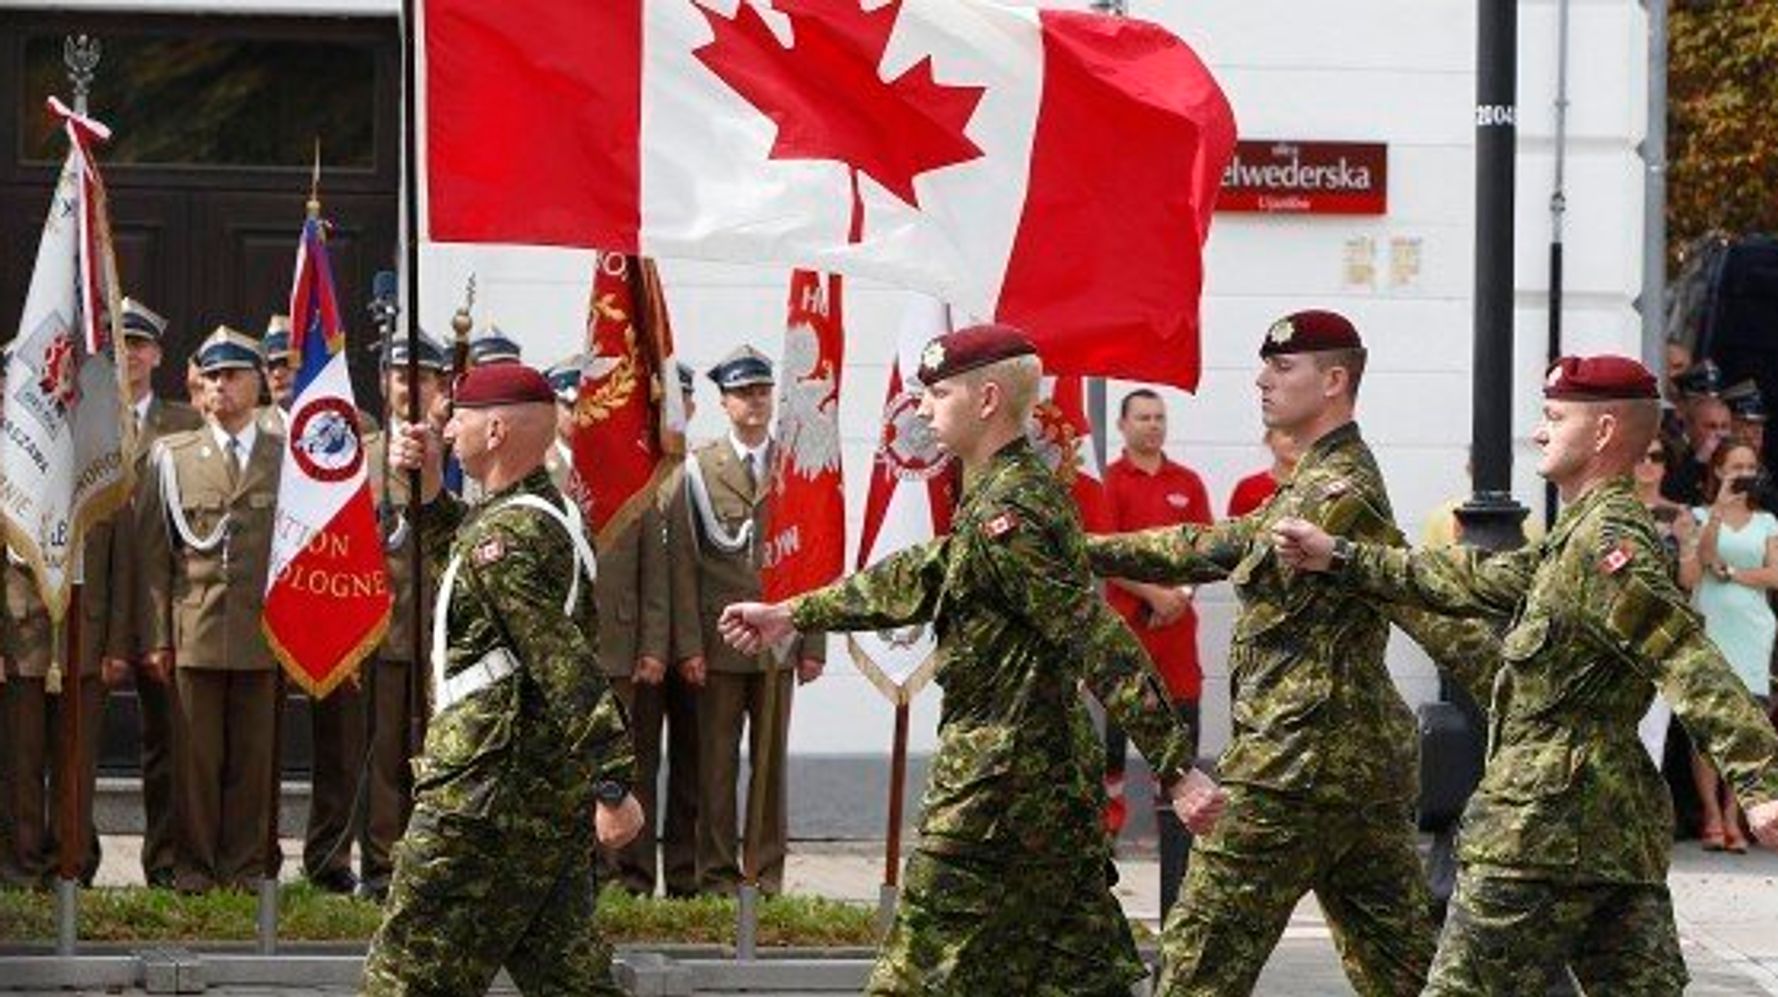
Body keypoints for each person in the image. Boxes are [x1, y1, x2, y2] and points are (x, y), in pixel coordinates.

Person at [718, 324, 1223, 996]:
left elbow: (1092, 633)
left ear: (987, 399)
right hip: (1042, 790)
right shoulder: (994, 497)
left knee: (911, 977)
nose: (923, 407)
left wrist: (1177, 768)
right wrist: (795, 611)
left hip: (996, 786)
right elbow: (925, 572)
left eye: (939, 392)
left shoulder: (1011, 508)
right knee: (1078, 977)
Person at [1273, 354, 1778, 995]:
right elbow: (1471, 575)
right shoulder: (1579, 535)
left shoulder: (1605, 544)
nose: (1539, 433)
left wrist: (1760, 779)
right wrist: (1340, 555)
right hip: (1608, 835)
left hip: (1538, 835)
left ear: (1601, 433)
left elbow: (1682, 653)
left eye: (1553, 417)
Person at [1086, 310, 1439, 996]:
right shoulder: (1313, 482)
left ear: (1334, 380)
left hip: (1290, 771)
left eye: (1282, 368)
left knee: (1195, 969)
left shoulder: (1342, 492)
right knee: (1405, 975)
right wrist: (1087, 547)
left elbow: (1420, 606)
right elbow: (1208, 542)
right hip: (1354, 773)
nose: (1261, 380)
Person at [362, 362, 643, 995]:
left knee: (404, 976)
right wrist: (431, 490)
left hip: (483, 801)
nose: (444, 423)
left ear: (494, 431)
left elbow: (558, 659)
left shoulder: (509, 536)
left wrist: (612, 778)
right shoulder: (537, 514)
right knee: (569, 981)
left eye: (457, 414)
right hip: (537, 796)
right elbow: (470, 569)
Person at [671, 345, 825, 897]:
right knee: (715, 766)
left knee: (770, 770)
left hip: (781, 639)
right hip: (721, 641)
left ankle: (764, 877)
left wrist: (815, 643)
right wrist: (688, 643)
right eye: (742, 393)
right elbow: (684, 563)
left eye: (762, 391)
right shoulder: (701, 467)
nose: (755, 403)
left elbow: (814, 556)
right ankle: (715, 878)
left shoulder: (796, 464)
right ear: (723, 401)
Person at [139, 326, 286, 893]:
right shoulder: (172, 457)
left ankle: (247, 869)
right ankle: (194, 869)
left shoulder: (284, 457)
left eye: (232, 376)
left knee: (254, 760)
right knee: (193, 762)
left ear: (257, 384)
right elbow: (154, 559)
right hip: (194, 628)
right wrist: (156, 635)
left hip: (263, 631)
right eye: (212, 375)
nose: (219, 386)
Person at [544, 352, 682, 896]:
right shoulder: (541, 474)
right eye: (568, 405)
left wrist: (653, 643)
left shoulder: (629, 473)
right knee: (561, 763)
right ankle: (566, 871)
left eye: (586, 406)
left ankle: (622, 872)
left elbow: (655, 571)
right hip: (557, 647)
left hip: (620, 643)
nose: (578, 416)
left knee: (622, 762)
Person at [0, 356, 121, 890]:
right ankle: (21, 868)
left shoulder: (93, 454)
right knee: (19, 768)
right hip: (19, 640)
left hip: (82, 635)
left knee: (76, 765)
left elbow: (121, 561)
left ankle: (69, 867)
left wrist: (116, 641)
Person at [1098, 388, 1211, 910]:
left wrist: (1179, 595)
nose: (1152, 426)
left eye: (1159, 417)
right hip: (1130, 631)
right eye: (1142, 417)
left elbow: (1204, 551)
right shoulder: (1112, 483)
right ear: (1122, 425)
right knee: (1115, 743)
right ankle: (1107, 842)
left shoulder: (1187, 482)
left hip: (1178, 637)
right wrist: (1152, 594)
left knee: (1182, 738)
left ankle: (1183, 850)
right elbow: (1103, 554)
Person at [114, 297, 206, 888]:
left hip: (159, 604)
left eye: (138, 345)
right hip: (90, 601)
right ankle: (69, 862)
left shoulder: (185, 426)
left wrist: (158, 628)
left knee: (168, 745)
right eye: (119, 345)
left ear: (157, 355)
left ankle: (165, 860)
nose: (129, 356)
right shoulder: (83, 417)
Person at [356, 330, 450, 902]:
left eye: (422, 376)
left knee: (443, 757)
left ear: (439, 385)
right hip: (384, 630)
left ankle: (436, 863)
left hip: (447, 633)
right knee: (385, 753)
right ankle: (383, 867)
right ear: (385, 383)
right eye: (400, 375)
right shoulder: (362, 458)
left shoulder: (460, 453)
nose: (409, 386)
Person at [1677, 439, 1778, 854]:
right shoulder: (1699, 515)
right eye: (1734, 466)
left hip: (1753, 627)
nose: (1742, 473)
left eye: (1749, 466)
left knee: (1745, 723)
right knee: (1706, 728)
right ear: (1718, 470)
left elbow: (1775, 575)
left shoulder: (1768, 520)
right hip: (1711, 624)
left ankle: (1734, 814)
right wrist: (1718, 508)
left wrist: (1734, 571)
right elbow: (1699, 563)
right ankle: (1712, 815)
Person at [1226, 426, 1297, 518]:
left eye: (1306, 435)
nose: (1296, 440)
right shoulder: (1249, 488)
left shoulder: (1320, 485)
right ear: (1269, 439)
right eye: (1288, 433)